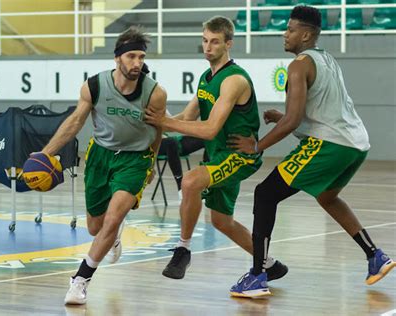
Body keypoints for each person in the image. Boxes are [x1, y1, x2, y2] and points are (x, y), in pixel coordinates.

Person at [228, 5, 396, 298]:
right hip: (355, 145)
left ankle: (257, 276)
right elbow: (312, 114)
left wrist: (258, 146)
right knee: (327, 197)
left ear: (306, 35)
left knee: (265, 194)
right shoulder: (326, 59)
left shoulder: (298, 65)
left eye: (291, 29)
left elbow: (295, 120)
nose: (285, 33)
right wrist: (282, 117)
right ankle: (375, 256)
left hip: (329, 144)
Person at [145, 16, 288, 281]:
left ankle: (183, 249)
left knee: (190, 182)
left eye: (214, 42)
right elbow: (185, 119)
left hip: (239, 155)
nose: (208, 47)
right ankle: (269, 264)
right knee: (222, 222)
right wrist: (150, 122)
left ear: (228, 44)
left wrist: (165, 122)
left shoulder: (234, 80)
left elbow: (210, 129)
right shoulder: (205, 78)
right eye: (204, 41)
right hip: (219, 155)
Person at [40, 26, 166, 305]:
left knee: (113, 217)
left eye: (141, 57)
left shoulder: (154, 93)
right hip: (100, 155)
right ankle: (114, 233)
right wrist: (44, 154)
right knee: (96, 227)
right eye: (131, 56)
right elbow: (75, 122)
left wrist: (152, 163)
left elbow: (157, 132)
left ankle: (80, 280)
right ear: (117, 58)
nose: (137, 63)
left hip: (136, 159)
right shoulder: (94, 86)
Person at [158, 133, 207, 199]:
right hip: (152, 145)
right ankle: (181, 187)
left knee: (208, 138)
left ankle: (206, 185)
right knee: (170, 142)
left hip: (172, 140)